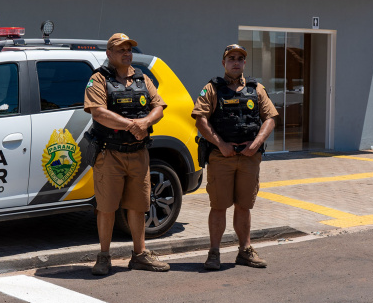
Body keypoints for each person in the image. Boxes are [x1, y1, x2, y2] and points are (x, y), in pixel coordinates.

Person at [83, 33, 171, 276]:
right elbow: (98, 112)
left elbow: (159, 107)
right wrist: (133, 125)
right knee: (107, 207)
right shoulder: (98, 79)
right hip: (109, 153)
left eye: (129, 49)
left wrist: (146, 123)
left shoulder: (143, 79)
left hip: (138, 154)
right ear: (109, 54)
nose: (126, 53)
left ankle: (140, 255)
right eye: (120, 49)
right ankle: (103, 257)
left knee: (138, 205)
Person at [192, 44, 278, 270]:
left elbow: (270, 118)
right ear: (224, 63)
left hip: (249, 157)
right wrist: (221, 145)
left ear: (244, 63)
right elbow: (200, 119)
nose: (236, 62)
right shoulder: (211, 89)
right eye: (231, 58)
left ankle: (245, 251)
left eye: (240, 58)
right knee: (219, 206)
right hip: (222, 157)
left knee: (244, 206)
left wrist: (256, 143)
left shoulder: (256, 88)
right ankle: (214, 253)